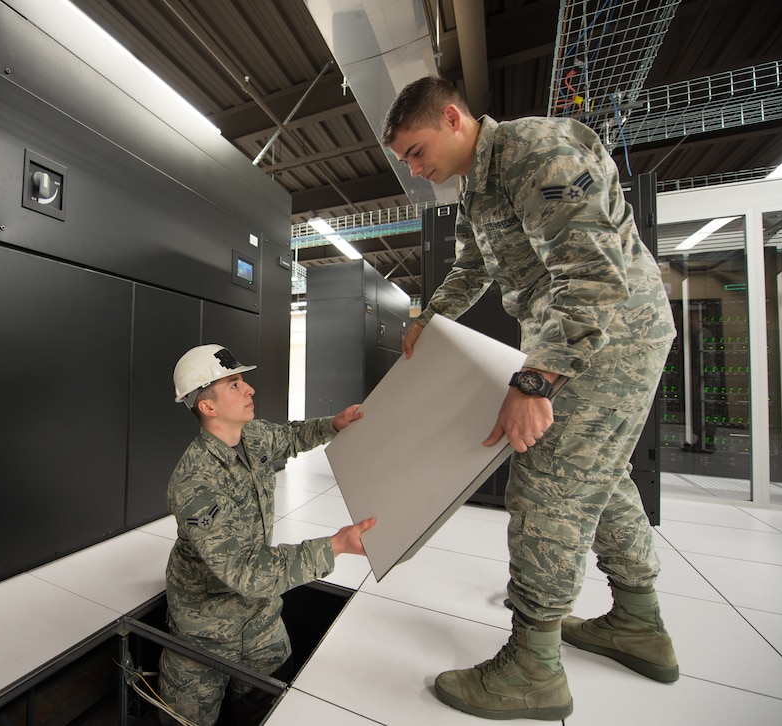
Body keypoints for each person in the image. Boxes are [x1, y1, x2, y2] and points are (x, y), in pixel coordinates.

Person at [382, 77, 679, 721]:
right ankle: (637, 622)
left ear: (454, 119)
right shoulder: (479, 188)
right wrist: (429, 315)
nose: (413, 166)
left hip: (608, 339)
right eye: (404, 158)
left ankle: (533, 668)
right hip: (583, 338)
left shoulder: (536, 153)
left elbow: (593, 276)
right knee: (601, 479)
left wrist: (537, 380)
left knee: (548, 484)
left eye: (415, 148)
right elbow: (472, 266)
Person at [158, 344, 376, 726]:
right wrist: (335, 546)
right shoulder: (195, 482)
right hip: (203, 633)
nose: (250, 390)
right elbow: (244, 571)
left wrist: (332, 425)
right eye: (235, 384)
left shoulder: (252, 435)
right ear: (207, 407)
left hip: (261, 620)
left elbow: (291, 437)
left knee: (269, 711)